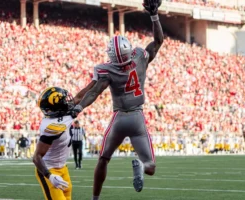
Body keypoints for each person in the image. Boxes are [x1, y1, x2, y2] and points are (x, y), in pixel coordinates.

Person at [70, 0, 163, 197]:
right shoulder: (139, 57)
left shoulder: (108, 70)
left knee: (103, 159)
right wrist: (154, 16)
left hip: (120, 119)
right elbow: (158, 42)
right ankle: (141, 165)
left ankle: (95, 197)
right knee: (151, 166)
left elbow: (95, 92)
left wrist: (79, 108)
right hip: (138, 118)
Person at [33, 85, 93, 200]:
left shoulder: (63, 113)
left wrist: (95, 80)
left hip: (62, 167)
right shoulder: (51, 126)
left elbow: (80, 97)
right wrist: (49, 176)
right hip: (48, 169)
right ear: (57, 107)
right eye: (64, 101)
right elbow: (36, 157)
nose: (68, 102)